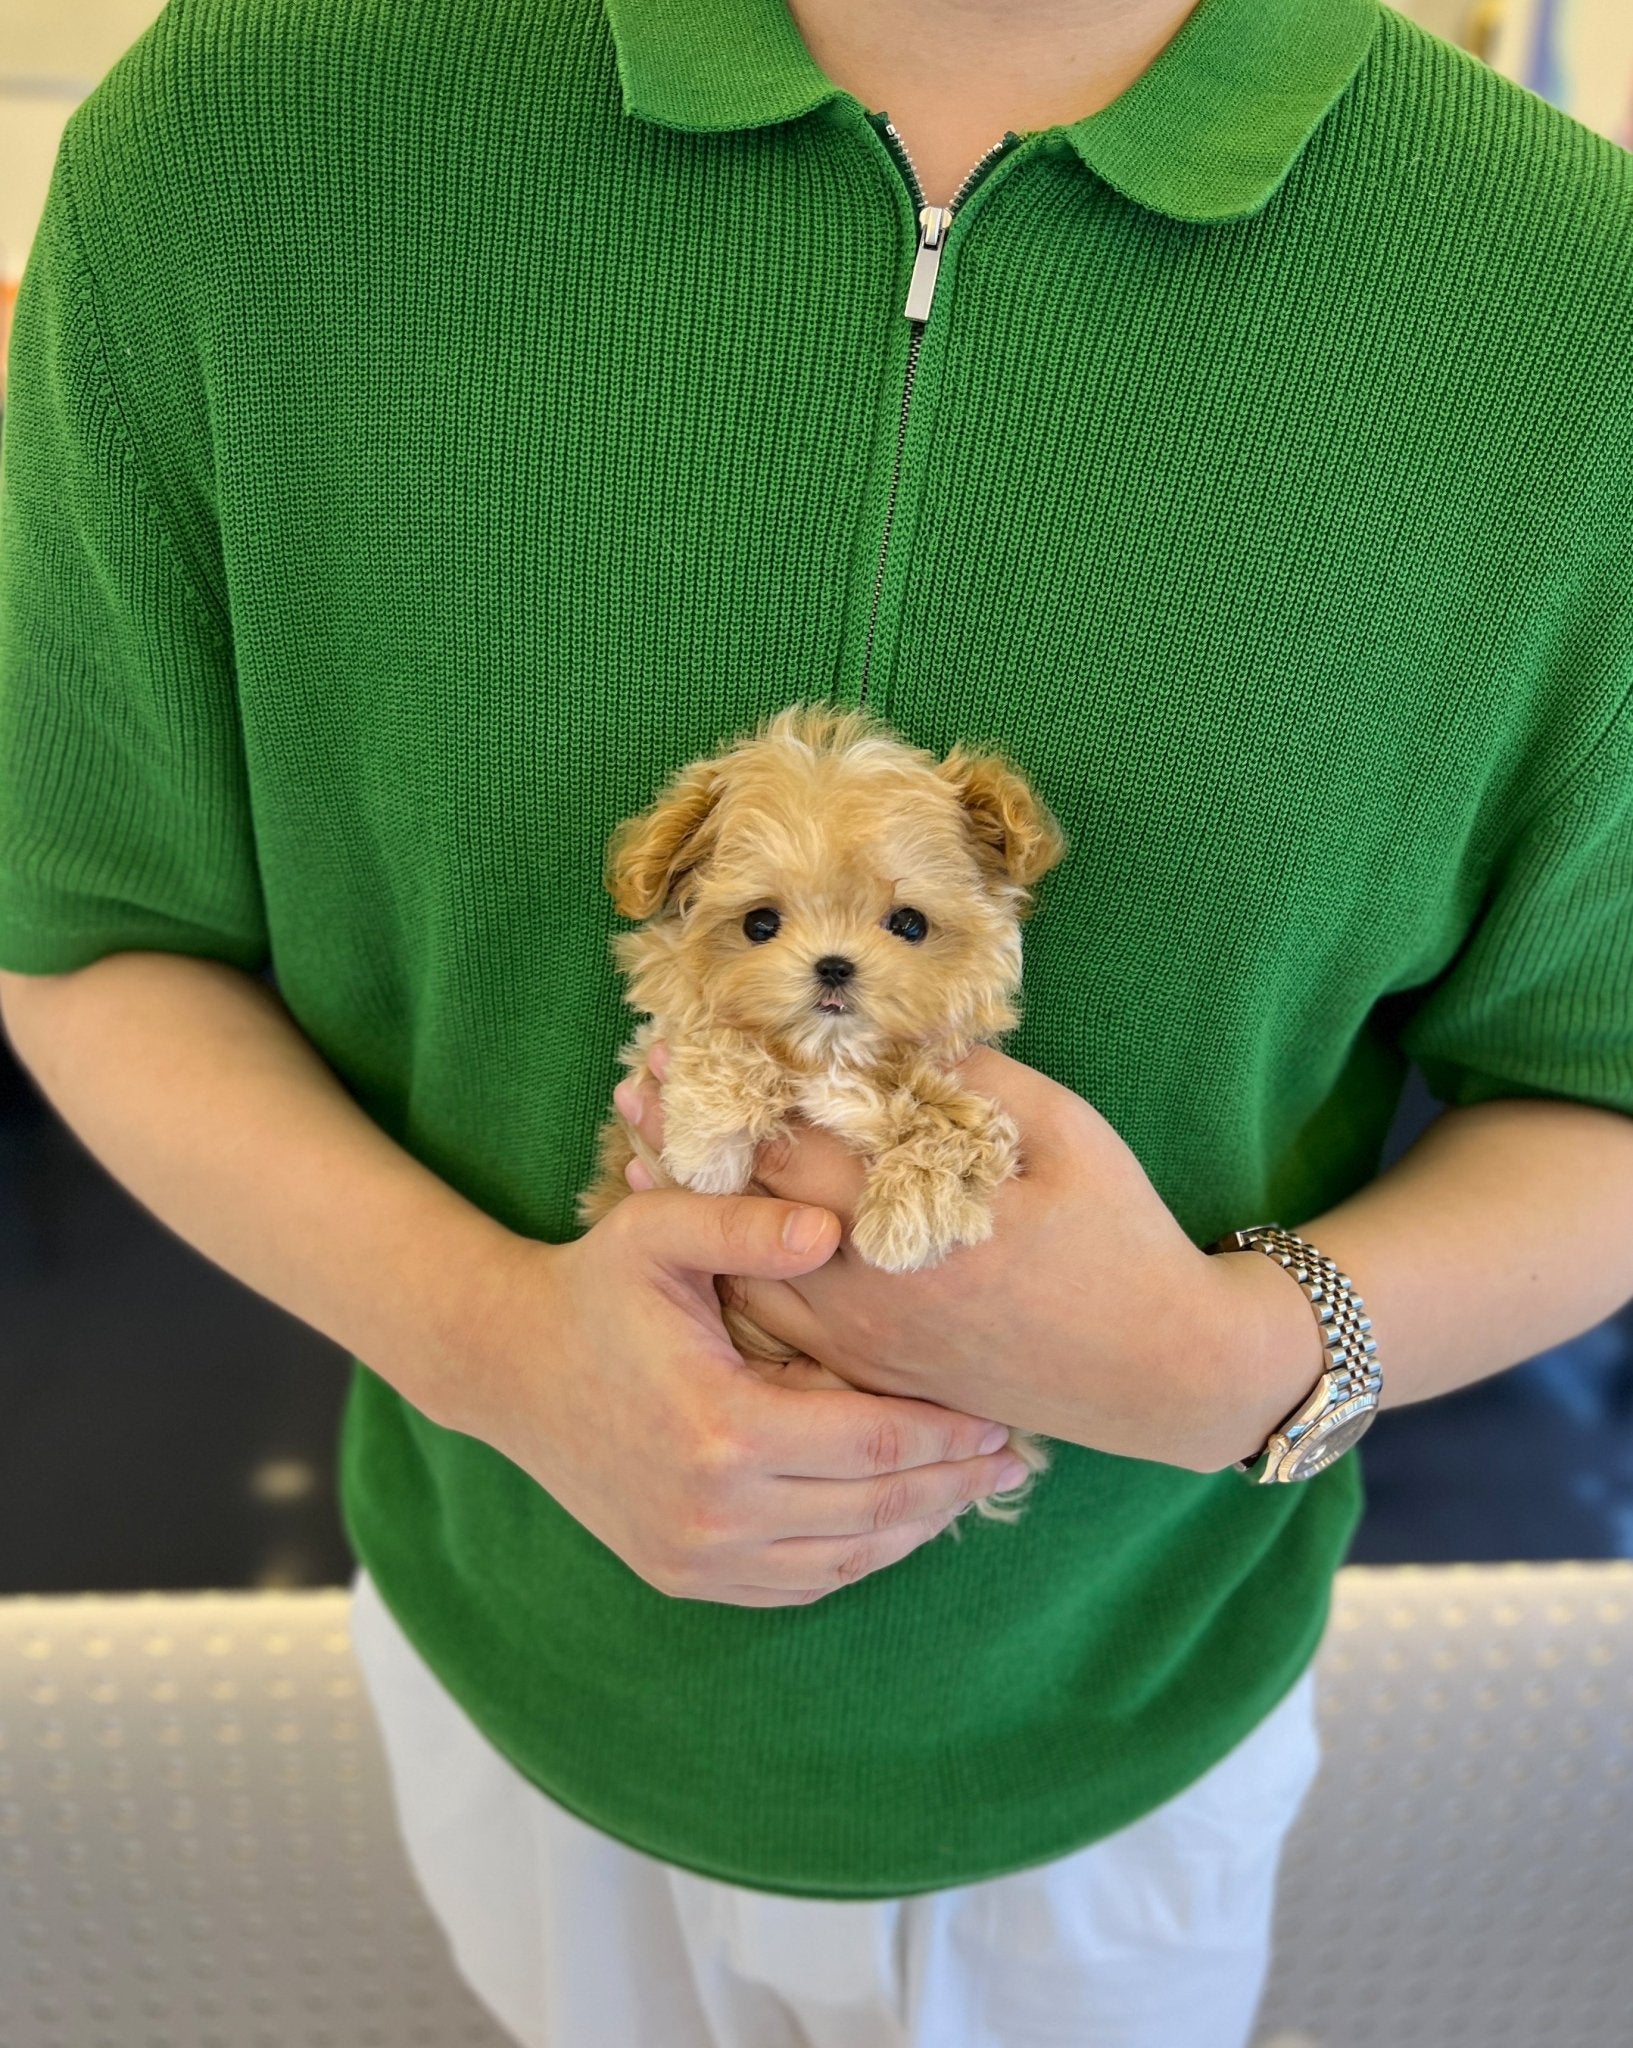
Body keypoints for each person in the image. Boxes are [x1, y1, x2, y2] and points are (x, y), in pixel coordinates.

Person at [3, 0, 1632, 2042]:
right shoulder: (244, 132)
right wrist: (491, 1342)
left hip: (1122, 1735)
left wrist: (1235, 1356)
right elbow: (90, 928)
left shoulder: (1583, 311)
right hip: (511, 1670)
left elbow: (1603, 1083)